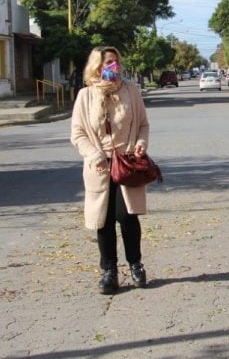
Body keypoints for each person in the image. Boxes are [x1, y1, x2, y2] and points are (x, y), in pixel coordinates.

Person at [70, 46, 151, 295]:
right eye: (108, 63)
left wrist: (140, 143)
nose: (113, 67)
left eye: (115, 62)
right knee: (102, 221)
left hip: (127, 163)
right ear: (97, 66)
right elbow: (77, 134)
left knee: (127, 217)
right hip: (99, 166)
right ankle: (109, 271)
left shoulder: (130, 91)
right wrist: (93, 154)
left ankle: (136, 265)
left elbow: (143, 125)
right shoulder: (85, 96)